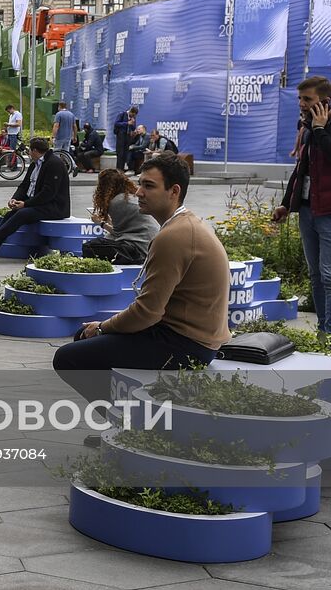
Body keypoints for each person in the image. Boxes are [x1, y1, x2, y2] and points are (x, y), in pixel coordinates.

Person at [52, 155, 230, 418]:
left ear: (174, 191)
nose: (138, 192)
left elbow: (147, 313)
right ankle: (128, 417)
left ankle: (127, 422)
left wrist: (102, 327)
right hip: (191, 337)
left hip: (185, 345)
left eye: (148, 186)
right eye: (139, 184)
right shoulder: (185, 224)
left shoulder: (173, 237)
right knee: (87, 340)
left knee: (69, 358)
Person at [273, 75, 331, 335]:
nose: (301, 104)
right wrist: (286, 205)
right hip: (308, 210)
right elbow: (301, 170)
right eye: (300, 99)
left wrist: (321, 129)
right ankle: (323, 332)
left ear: (325, 101)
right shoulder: (307, 130)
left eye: (307, 99)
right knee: (316, 276)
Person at [0, 137, 71, 262]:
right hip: (39, 204)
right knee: (11, 214)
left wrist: (25, 204)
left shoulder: (54, 164)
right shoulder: (35, 164)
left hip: (54, 207)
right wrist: (14, 199)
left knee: (22, 213)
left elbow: (48, 193)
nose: (28, 153)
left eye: (30, 151)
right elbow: (24, 186)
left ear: (35, 151)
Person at [82, 169, 158, 264]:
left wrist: (101, 223)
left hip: (139, 248)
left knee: (89, 247)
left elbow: (116, 233)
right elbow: (123, 229)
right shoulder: (129, 196)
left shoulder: (117, 202)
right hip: (148, 244)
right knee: (105, 241)